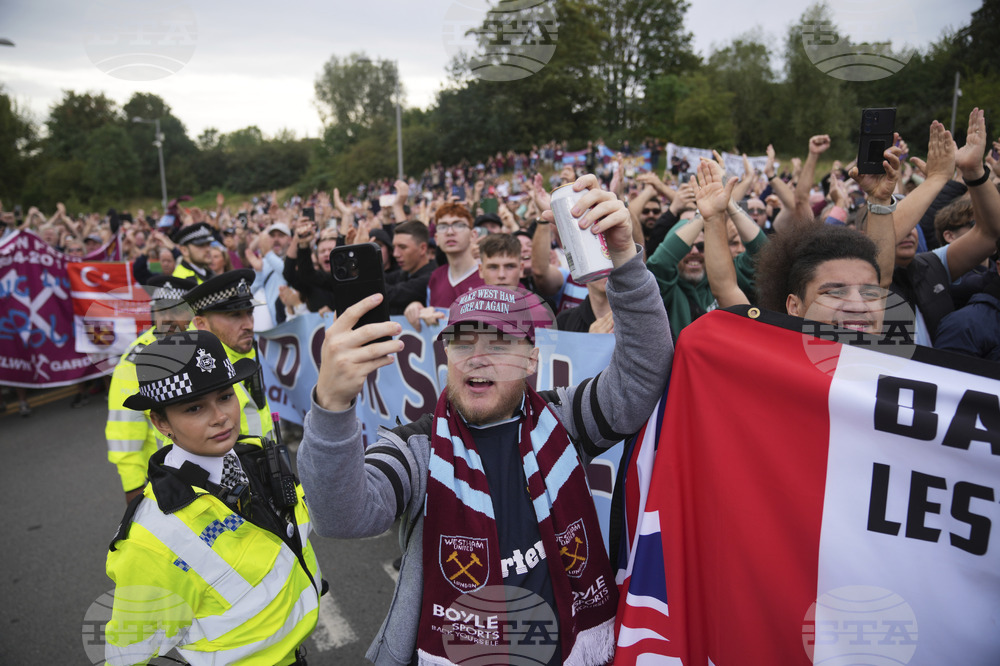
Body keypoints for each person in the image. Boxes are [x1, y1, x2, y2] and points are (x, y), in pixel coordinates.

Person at [297, 174, 672, 665]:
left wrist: (624, 260)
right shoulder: (417, 448)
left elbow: (644, 373)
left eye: (499, 343)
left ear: (531, 359)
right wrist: (331, 405)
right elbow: (340, 518)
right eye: (463, 341)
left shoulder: (564, 420)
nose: (477, 357)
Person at [104, 330, 321, 665]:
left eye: (225, 396)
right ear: (161, 423)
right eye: (194, 408)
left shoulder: (258, 458)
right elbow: (127, 654)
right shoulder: (152, 536)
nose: (220, 417)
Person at [106, 275, 197, 504]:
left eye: (176, 311)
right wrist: (134, 494)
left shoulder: (202, 344)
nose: (166, 319)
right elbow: (124, 437)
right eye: (160, 310)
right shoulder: (135, 363)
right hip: (166, 480)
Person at [184, 269, 275, 440]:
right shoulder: (193, 373)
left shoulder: (244, 354)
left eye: (250, 313)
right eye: (235, 315)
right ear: (201, 323)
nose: (248, 324)